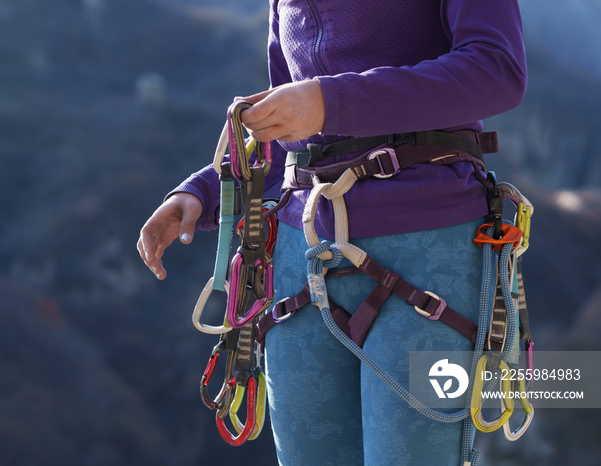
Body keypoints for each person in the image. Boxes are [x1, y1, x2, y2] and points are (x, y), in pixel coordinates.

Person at [138, 0, 527, 464]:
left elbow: (497, 67)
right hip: (301, 259)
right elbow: (291, 133)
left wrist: (330, 102)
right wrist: (202, 192)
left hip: (427, 246)